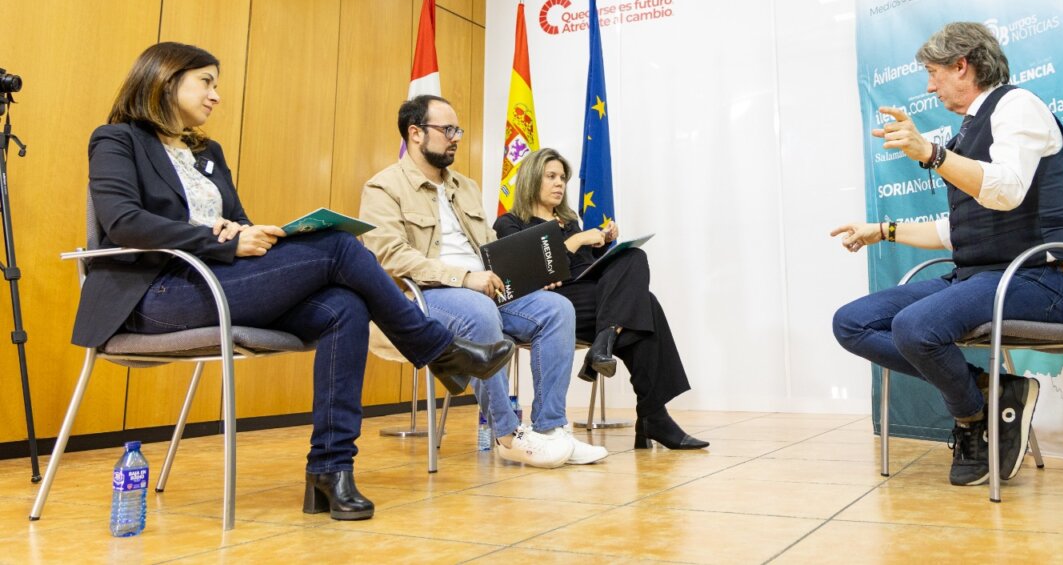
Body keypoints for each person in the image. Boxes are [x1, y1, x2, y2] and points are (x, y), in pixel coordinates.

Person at [72, 42, 514, 522]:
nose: (216, 96)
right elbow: (123, 222)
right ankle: (437, 349)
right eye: (207, 82)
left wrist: (249, 232)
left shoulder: (207, 151)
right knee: (342, 246)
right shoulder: (116, 139)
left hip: (218, 285)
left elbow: (235, 220)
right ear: (165, 79)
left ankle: (330, 470)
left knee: (345, 306)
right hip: (155, 296)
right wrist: (219, 241)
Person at [830, 21, 1063, 487]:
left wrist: (932, 154)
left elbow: (1005, 193)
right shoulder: (972, 129)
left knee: (915, 326)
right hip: (979, 278)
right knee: (851, 323)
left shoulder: (1018, 107)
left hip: (1038, 281)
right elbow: (960, 230)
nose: (930, 86)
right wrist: (881, 231)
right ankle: (989, 394)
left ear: (962, 65)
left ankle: (971, 420)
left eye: (933, 73)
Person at [359, 95, 606, 468]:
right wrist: (463, 277)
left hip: (488, 285)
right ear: (415, 133)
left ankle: (551, 430)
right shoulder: (383, 188)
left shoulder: (466, 186)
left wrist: (527, 277)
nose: (455, 137)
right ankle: (508, 435)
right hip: (432, 293)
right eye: (447, 130)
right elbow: (389, 255)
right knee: (479, 313)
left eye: (457, 129)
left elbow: (492, 247)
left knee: (557, 308)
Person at [495, 148, 708, 451]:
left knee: (633, 256)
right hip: (555, 305)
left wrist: (603, 244)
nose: (560, 184)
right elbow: (526, 275)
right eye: (551, 177)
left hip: (595, 299)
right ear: (531, 179)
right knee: (645, 307)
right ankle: (651, 415)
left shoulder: (569, 221)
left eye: (563, 178)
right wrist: (580, 239)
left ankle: (605, 343)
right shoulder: (511, 223)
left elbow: (587, 268)